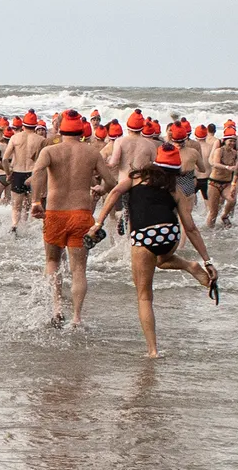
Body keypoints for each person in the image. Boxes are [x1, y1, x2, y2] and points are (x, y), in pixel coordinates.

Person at [89, 143, 218, 357]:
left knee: (144, 297)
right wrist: (207, 261)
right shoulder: (175, 190)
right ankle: (189, 265)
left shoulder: (135, 178)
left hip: (144, 235)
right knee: (161, 259)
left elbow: (114, 193)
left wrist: (99, 222)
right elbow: (191, 228)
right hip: (170, 233)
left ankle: (153, 350)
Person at [30, 110, 116, 327]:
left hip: (55, 213)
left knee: (52, 262)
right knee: (79, 269)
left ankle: (57, 309)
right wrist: (99, 188)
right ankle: (77, 318)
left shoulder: (50, 151)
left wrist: (36, 202)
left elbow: (37, 172)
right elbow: (110, 182)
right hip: (81, 214)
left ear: (60, 130)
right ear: (81, 132)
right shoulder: (91, 154)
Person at [3, 109, 44, 232]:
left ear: (23, 125)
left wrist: (8, 173)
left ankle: (15, 225)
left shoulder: (15, 138)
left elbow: (5, 159)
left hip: (17, 172)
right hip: (33, 174)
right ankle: (29, 228)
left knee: (16, 205)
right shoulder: (40, 140)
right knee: (33, 203)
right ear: (36, 125)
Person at [206, 127, 237, 227]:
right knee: (213, 213)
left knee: (232, 200)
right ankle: (210, 234)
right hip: (214, 183)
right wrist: (227, 167)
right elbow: (215, 164)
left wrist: (233, 184)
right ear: (224, 141)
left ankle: (224, 216)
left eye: (234, 141)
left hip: (227, 183)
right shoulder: (219, 151)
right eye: (230, 141)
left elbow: (236, 170)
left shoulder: (235, 153)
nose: (232, 143)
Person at [194, 125, 214, 202]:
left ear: (195, 135)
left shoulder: (192, 148)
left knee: (190, 202)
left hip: (195, 178)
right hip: (207, 178)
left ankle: (195, 214)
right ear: (206, 134)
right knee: (208, 203)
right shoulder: (211, 147)